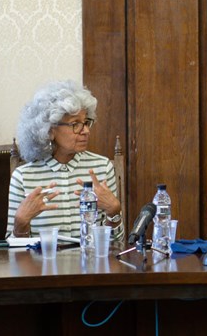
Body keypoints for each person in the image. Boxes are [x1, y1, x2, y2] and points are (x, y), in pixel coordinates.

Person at [7, 80, 125, 242]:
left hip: (90, 258)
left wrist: (114, 212)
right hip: (44, 259)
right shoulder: (23, 177)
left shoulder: (102, 168)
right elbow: (12, 248)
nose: (86, 131)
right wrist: (21, 222)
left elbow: (116, 244)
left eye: (86, 122)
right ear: (50, 130)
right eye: (75, 124)